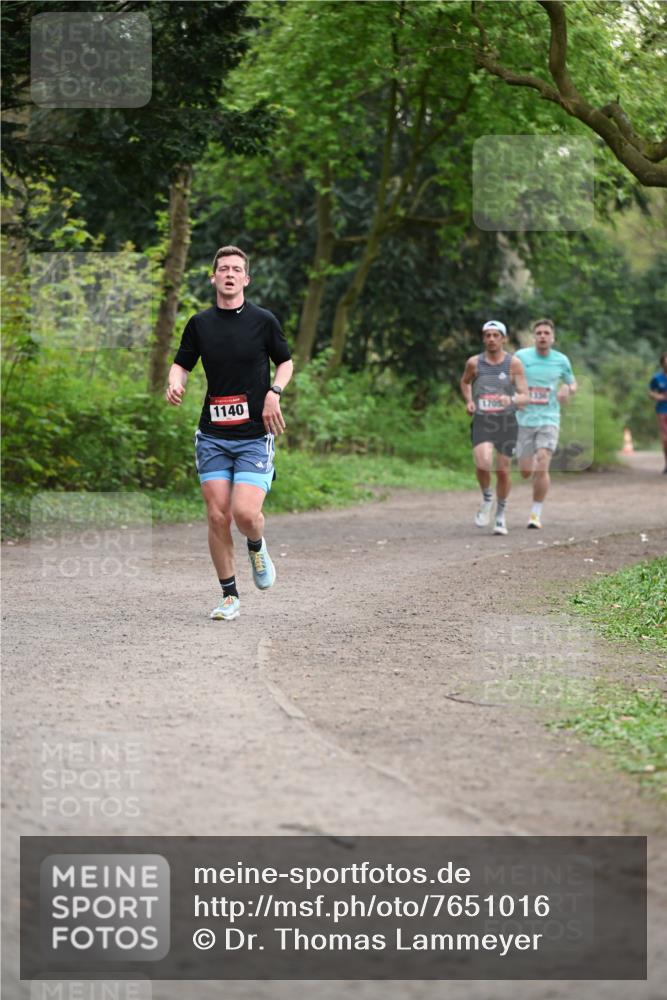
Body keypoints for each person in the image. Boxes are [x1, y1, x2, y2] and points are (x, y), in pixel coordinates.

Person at [166, 246, 293, 620]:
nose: (230, 274)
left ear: (246, 279)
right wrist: (175, 383)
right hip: (213, 436)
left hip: (255, 434)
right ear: (213, 278)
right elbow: (181, 364)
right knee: (217, 515)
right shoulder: (200, 324)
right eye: (223, 269)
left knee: (244, 513)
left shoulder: (263, 321)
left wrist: (275, 393)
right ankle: (229, 596)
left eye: (237, 269)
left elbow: (284, 362)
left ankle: (256, 545)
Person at [460, 321, 528, 535]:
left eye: (495, 335)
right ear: (483, 338)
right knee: (482, 463)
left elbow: (525, 394)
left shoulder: (513, 364)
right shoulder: (474, 363)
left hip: (506, 421)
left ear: (503, 338)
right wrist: (469, 401)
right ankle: (488, 497)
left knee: (503, 469)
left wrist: (511, 399)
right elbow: (465, 382)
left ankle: (500, 514)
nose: (491, 339)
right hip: (482, 419)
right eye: (487, 335)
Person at [515, 319, 577, 528]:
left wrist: (567, 389)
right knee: (525, 471)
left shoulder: (561, 360)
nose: (542, 336)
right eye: (539, 333)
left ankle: (535, 514)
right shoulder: (521, 357)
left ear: (553, 338)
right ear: (534, 337)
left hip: (549, 418)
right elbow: (508, 379)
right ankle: (528, 465)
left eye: (546, 333)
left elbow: (572, 382)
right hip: (523, 419)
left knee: (543, 461)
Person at [648, 351, 667, 474]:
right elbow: (650, 392)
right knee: (665, 439)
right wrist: (658, 396)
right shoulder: (657, 378)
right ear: (662, 363)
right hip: (662, 410)